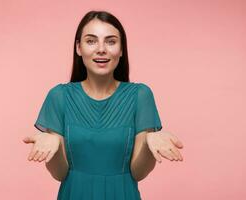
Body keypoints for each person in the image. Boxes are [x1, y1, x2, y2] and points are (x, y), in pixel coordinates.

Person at [23, 10, 184, 200]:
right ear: (78, 48)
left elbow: (138, 172)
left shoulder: (141, 95)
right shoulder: (59, 96)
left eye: (111, 41)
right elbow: (60, 173)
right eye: (91, 41)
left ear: (122, 49)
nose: (101, 49)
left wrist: (149, 144)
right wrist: (55, 145)